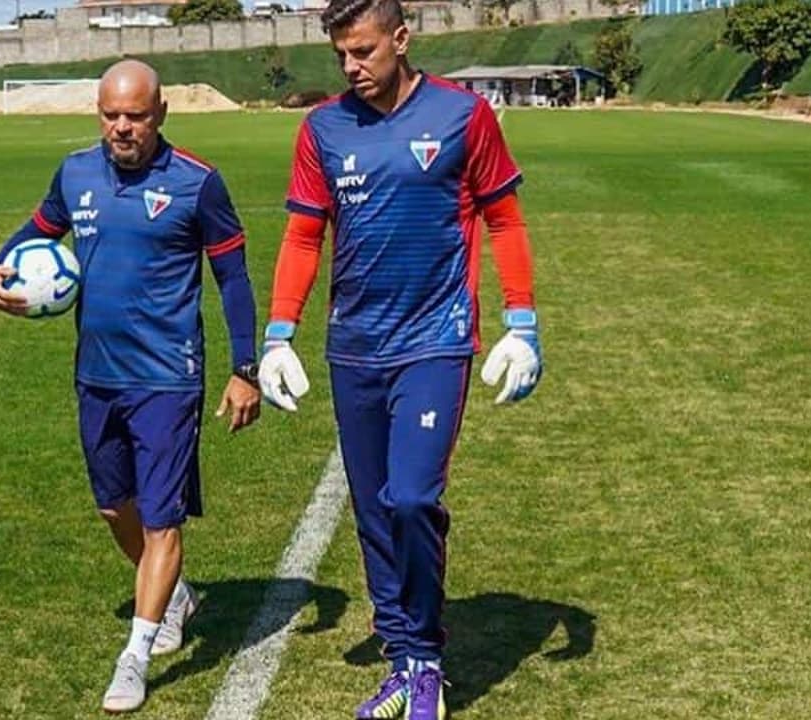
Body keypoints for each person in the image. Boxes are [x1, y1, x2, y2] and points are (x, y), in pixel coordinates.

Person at [255, 0, 543, 717]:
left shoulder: (462, 115)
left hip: (435, 340)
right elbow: (301, 237)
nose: (352, 68)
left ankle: (423, 647)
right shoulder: (321, 128)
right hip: (354, 345)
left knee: (411, 499)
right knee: (374, 512)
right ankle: (411, 661)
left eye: (364, 51)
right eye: (341, 56)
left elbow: (503, 218)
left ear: (402, 39)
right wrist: (278, 335)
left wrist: (523, 323)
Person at [0, 59, 261, 714]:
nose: (123, 128)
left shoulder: (198, 184)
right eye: (111, 116)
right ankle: (174, 594)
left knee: (162, 516)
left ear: (161, 112)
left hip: (168, 376)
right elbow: (38, 234)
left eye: (135, 116)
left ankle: (136, 653)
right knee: (115, 507)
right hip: (96, 372)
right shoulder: (75, 172)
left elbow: (235, 280)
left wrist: (244, 369)